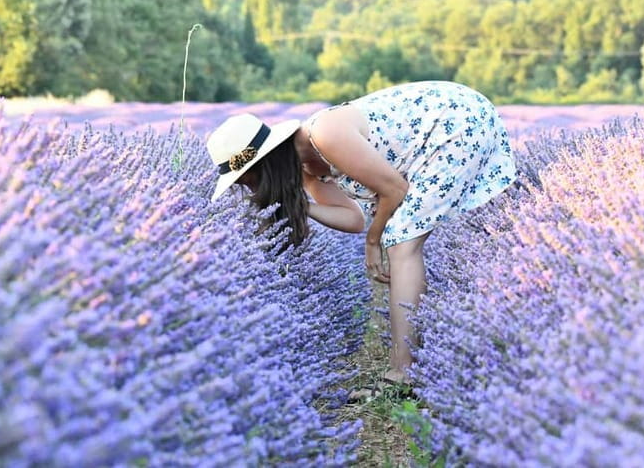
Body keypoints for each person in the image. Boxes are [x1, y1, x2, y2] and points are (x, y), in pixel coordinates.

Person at [205, 80, 516, 387]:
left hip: (456, 121)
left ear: (264, 166)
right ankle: (410, 364)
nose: (252, 189)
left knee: (401, 245)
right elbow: (352, 219)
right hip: (437, 133)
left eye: (248, 181)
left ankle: (402, 373)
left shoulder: (324, 136)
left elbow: (394, 190)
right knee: (401, 242)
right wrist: (302, 208)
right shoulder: (305, 168)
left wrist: (373, 242)